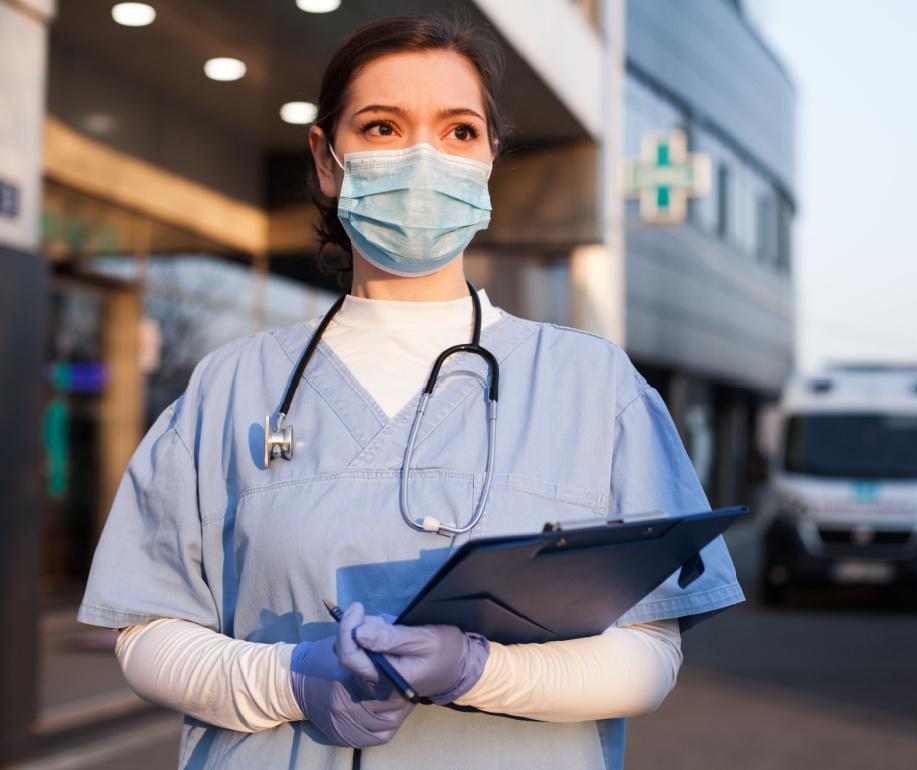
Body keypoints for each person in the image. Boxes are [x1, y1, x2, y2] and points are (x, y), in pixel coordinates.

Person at [77, 13, 744, 770]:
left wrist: (480, 671)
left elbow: (647, 658)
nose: (423, 157)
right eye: (383, 127)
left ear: (489, 158)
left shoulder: (596, 388)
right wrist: (290, 680)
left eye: (458, 131)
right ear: (328, 161)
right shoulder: (229, 388)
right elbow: (147, 631)